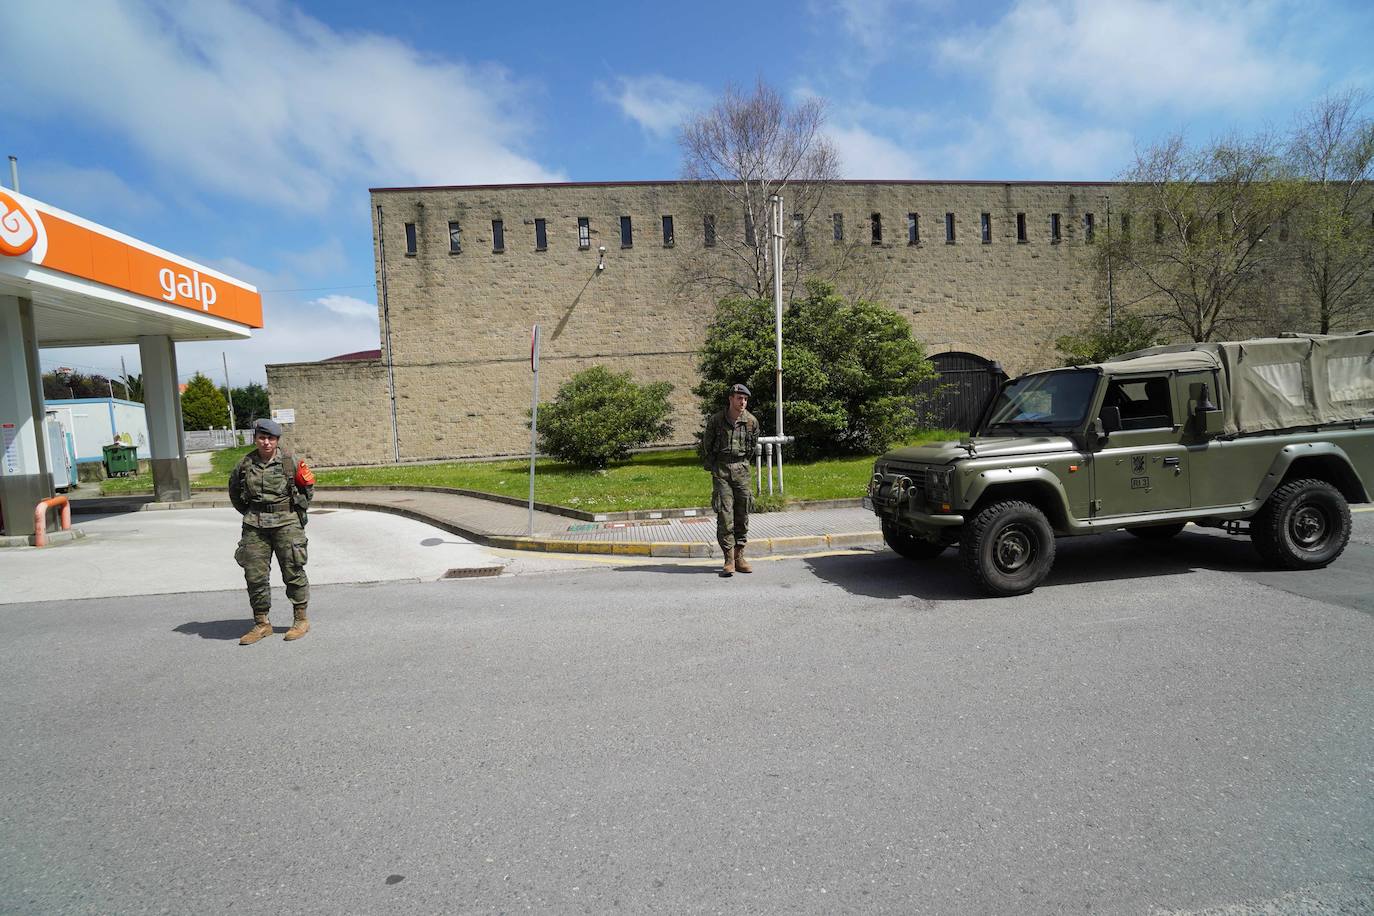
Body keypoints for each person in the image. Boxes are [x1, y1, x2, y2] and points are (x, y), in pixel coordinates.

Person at [229, 418, 315, 645]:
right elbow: (235, 493)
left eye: (271, 438)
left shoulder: (290, 462)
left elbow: (307, 490)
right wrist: (251, 512)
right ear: (256, 438)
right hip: (255, 524)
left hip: (287, 523)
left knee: (293, 570)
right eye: (262, 438)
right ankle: (262, 624)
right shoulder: (245, 464)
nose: (266, 442)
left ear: (277, 440)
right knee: (254, 575)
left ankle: (301, 620)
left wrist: (294, 512)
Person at [703, 383, 760, 577]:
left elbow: (751, 448)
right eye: (739, 398)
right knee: (725, 515)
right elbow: (707, 446)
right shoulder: (716, 421)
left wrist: (741, 464)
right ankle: (728, 559)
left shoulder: (751, 422)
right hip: (722, 472)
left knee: (742, 513)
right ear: (730, 399)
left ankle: (739, 556)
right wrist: (716, 466)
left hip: (742, 471)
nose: (742, 402)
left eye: (745, 399)